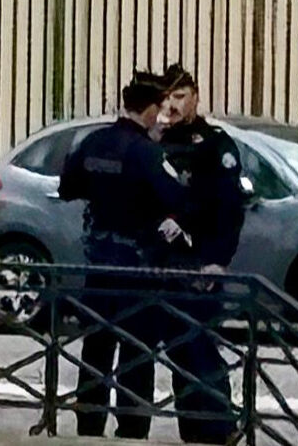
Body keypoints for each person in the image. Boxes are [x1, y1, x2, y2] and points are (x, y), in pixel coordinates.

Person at [58, 71, 199, 439]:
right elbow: (177, 198)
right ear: (150, 110)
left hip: (99, 264)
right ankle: (132, 428)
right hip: (139, 267)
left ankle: (89, 424)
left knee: (96, 348)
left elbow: (67, 187)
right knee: (137, 352)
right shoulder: (146, 153)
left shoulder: (93, 142)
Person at [157, 65, 251, 446]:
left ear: (195, 96)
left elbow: (230, 209)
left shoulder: (214, 145)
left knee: (200, 347)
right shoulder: (158, 141)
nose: (172, 105)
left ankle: (219, 426)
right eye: (167, 98)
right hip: (162, 263)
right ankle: (192, 428)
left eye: (180, 97)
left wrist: (218, 259)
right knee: (179, 352)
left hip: (200, 262)